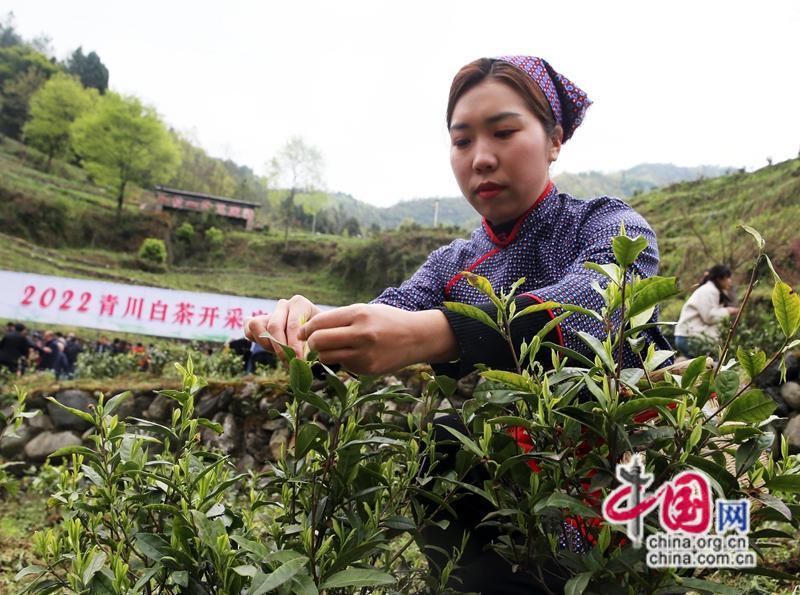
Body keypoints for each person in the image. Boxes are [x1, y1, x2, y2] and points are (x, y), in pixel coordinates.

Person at [245, 55, 669, 592]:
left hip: (621, 501)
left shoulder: (608, 226)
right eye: (462, 140)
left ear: (555, 139)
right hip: (509, 524)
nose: (482, 158)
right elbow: (389, 313)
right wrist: (306, 326)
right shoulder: (454, 264)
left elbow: (595, 299)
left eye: (504, 132)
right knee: (444, 443)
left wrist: (438, 333)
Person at [674, 264, 738, 358]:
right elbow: (709, 317)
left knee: (703, 368)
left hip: (690, 336)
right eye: (728, 278)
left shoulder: (713, 290)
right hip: (690, 337)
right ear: (720, 279)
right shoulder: (708, 291)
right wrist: (727, 311)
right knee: (710, 366)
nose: (730, 282)